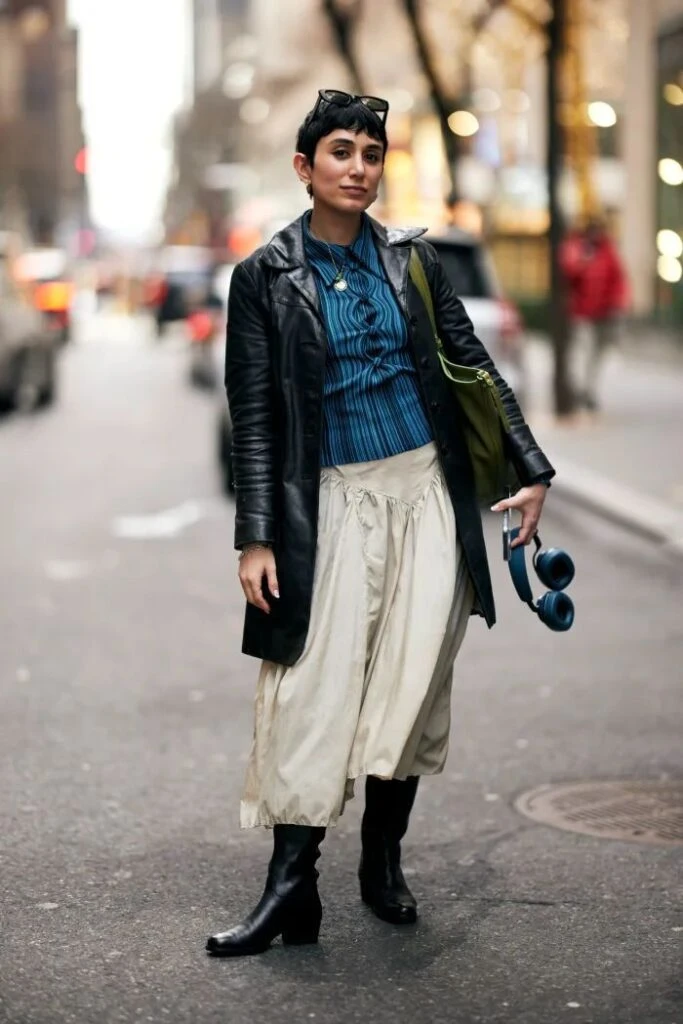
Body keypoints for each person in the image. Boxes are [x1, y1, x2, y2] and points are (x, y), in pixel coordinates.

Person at [206, 89, 555, 958]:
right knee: (310, 691)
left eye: (369, 153)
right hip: (323, 504)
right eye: (339, 153)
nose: (357, 168)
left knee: (409, 686)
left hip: (427, 495)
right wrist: (255, 533)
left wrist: (530, 468)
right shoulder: (264, 276)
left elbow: (470, 366)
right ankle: (291, 889)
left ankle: (382, 862)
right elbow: (253, 414)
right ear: (304, 167)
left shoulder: (413, 262)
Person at [560, 217, 629, 411]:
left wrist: (617, 304)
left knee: (597, 353)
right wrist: (583, 261)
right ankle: (580, 388)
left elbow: (618, 279)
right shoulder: (577, 248)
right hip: (582, 312)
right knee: (584, 349)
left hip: (604, 313)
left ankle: (588, 389)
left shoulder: (608, 251)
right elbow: (568, 271)